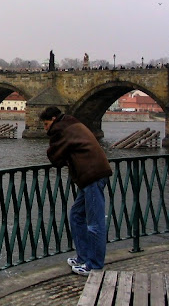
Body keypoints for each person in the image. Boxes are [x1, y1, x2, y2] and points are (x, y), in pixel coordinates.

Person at [39, 106, 112, 276]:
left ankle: (94, 265)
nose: (45, 128)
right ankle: (83, 256)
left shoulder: (61, 129)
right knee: (76, 215)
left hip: (93, 176)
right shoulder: (71, 123)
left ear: (54, 120)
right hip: (90, 176)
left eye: (46, 123)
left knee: (95, 223)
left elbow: (55, 157)